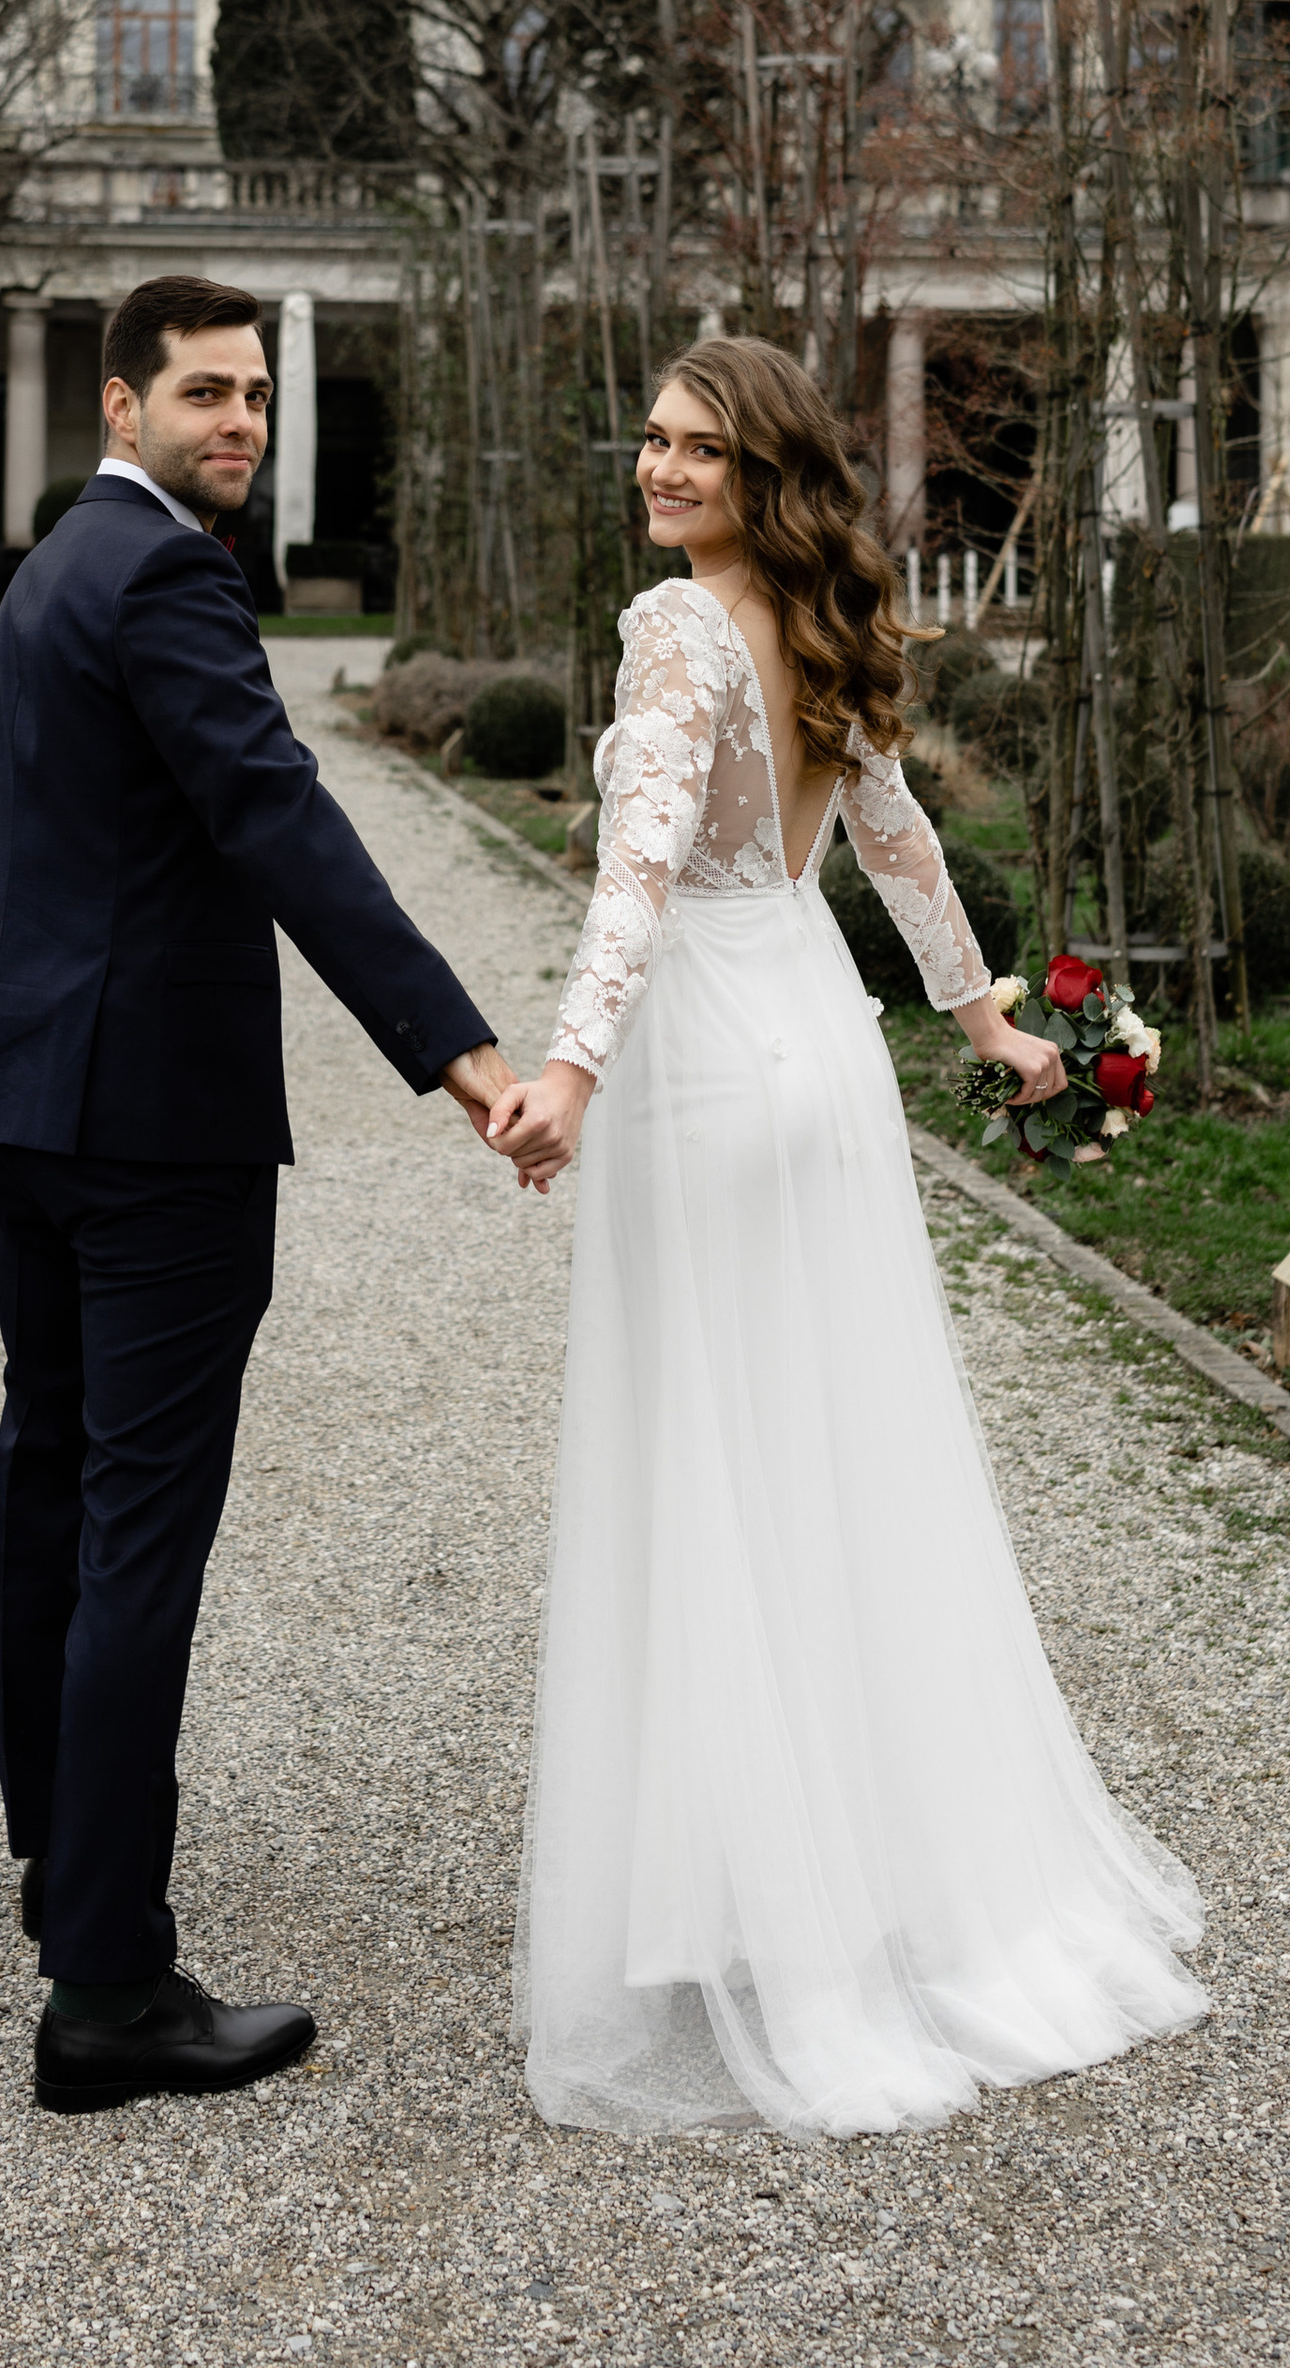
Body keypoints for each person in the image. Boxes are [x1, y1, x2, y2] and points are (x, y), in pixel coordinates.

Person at [484, 336, 1206, 2137]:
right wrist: (989, 1027)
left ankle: (758, 1898)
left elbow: (641, 868)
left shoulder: (679, 628)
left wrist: (569, 1069)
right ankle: (859, 1860)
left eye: (700, 451)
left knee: (711, 1461)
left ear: (763, 474)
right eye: (653, 440)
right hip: (818, 1037)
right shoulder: (822, 623)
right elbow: (899, 847)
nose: (660, 471)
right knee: (836, 1454)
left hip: (708, 1065)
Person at [0, 275, 515, 2116]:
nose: (242, 423)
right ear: (121, 406)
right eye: (205, 393)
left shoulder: (53, 570)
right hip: (155, 1131)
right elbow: (279, 815)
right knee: (137, 1529)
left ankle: (66, 1861)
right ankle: (109, 1992)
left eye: (258, 394)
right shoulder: (166, 578)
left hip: (35, 1102)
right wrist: (458, 1049)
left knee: (54, 1480)